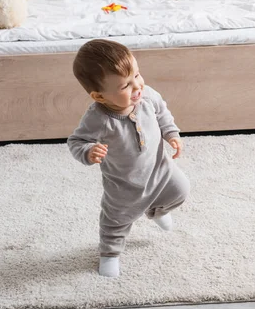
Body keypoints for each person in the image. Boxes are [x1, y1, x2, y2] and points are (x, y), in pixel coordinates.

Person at [68, 39, 190, 278]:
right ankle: (110, 255)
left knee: (181, 190)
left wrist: (171, 133)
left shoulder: (147, 96)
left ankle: (157, 211)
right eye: (125, 86)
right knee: (116, 222)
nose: (137, 87)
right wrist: (88, 152)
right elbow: (76, 142)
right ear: (100, 96)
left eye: (137, 75)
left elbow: (162, 112)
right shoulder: (99, 118)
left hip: (160, 169)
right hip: (124, 184)